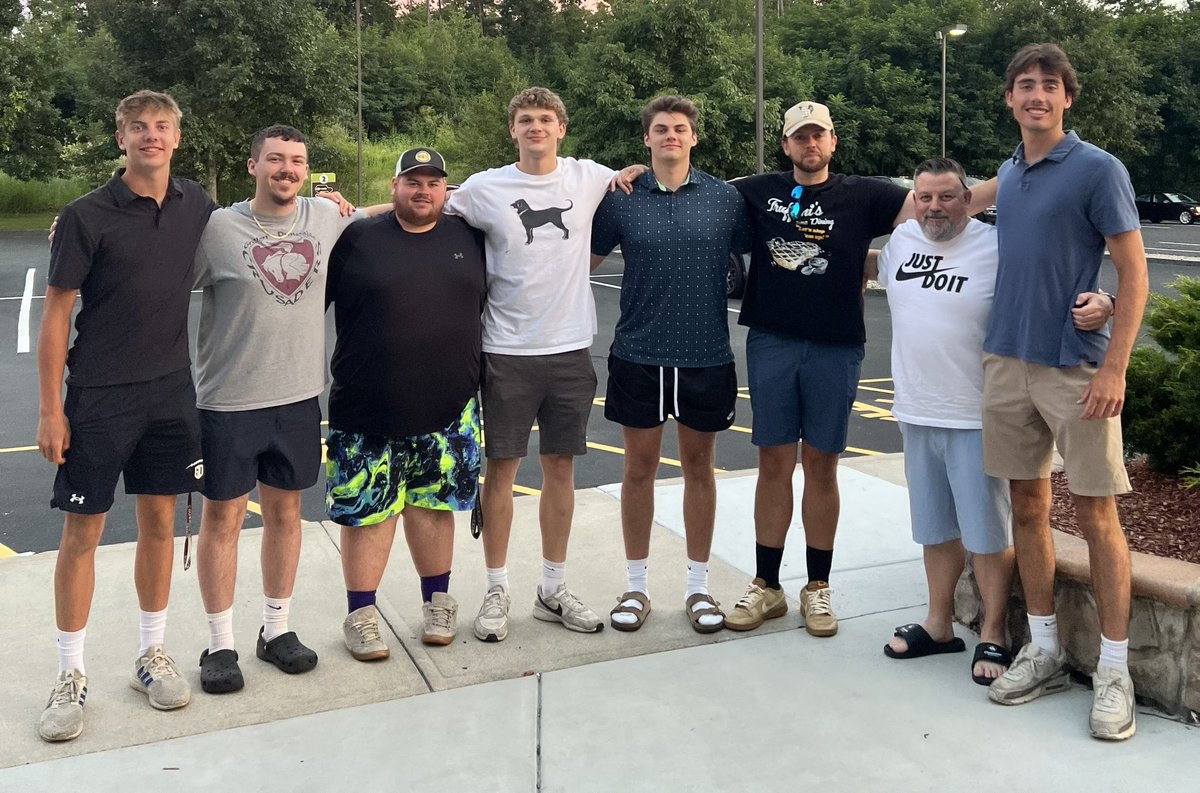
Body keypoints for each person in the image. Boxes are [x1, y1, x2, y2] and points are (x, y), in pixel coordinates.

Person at [728, 101, 995, 636]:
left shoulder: (866, 194)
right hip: (773, 343)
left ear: (832, 142)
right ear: (785, 146)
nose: (809, 145)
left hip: (837, 346)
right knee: (774, 465)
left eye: (818, 136)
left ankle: (818, 588)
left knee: (822, 466)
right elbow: (692, 189)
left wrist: (1023, 169)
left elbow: (940, 203)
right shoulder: (755, 192)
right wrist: (634, 173)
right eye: (799, 137)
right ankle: (766, 586)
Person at [872, 157, 1112, 685]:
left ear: (969, 199)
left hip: (979, 409)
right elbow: (860, 269)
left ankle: (994, 633)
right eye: (925, 197)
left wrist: (1106, 299)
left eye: (947, 197)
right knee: (934, 527)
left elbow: (1056, 278)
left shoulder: (997, 246)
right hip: (915, 408)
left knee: (986, 531)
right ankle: (938, 625)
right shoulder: (901, 244)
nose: (935, 207)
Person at [36, 90, 217, 742]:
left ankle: (151, 651)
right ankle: (70, 674)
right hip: (99, 394)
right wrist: (51, 409)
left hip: (170, 391)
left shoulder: (195, 203)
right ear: (121, 139)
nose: (150, 135)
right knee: (81, 533)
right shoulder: (86, 216)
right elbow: (56, 315)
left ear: (176, 136)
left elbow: (266, 220)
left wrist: (347, 207)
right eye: (137, 126)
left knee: (159, 523)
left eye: (161, 126)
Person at [981, 44, 1149, 742]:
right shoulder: (1010, 170)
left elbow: (1133, 274)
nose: (1036, 96)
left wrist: (1114, 366)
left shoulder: (1098, 168)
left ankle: (1115, 668)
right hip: (1006, 362)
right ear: (1011, 99)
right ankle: (1044, 648)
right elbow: (939, 200)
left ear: (1067, 98)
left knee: (1099, 516)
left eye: (1049, 87)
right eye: (1025, 86)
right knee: (1028, 505)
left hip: (1074, 370)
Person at [191, 125, 379, 693]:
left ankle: (276, 631)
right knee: (222, 519)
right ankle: (220, 643)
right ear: (253, 166)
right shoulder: (216, 229)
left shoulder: (325, 217)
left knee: (286, 515)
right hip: (228, 400)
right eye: (275, 160)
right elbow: (153, 259)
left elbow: (380, 211)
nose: (287, 170)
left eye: (296, 161)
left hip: (298, 398)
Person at [445, 88, 617, 641]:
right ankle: (497, 589)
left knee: (561, 470)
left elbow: (641, 175)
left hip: (569, 350)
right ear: (512, 130)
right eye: (526, 120)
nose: (536, 127)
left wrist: (639, 165)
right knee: (502, 472)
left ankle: (552, 588)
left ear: (561, 128)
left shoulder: (588, 176)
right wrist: (351, 209)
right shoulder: (485, 188)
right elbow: (421, 206)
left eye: (545, 119)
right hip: (505, 352)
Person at [590, 95, 750, 633]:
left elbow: (776, 248)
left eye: (680, 129)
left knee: (700, 470)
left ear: (693, 137)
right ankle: (636, 588)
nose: (671, 137)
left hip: (706, 355)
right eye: (661, 129)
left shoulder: (725, 199)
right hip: (638, 354)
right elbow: (574, 265)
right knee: (637, 470)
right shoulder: (621, 197)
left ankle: (699, 588)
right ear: (647, 139)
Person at [326, 148, 487, 658]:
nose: (423, 190)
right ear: (394, 187)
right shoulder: (356, 239)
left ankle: (437, 602)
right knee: (366, 513)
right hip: (365, 406)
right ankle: (362, 613)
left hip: (451, 406)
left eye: (434, 182)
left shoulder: (470, 236)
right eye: (412, 181)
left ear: (448, 191)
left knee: (436, 508)